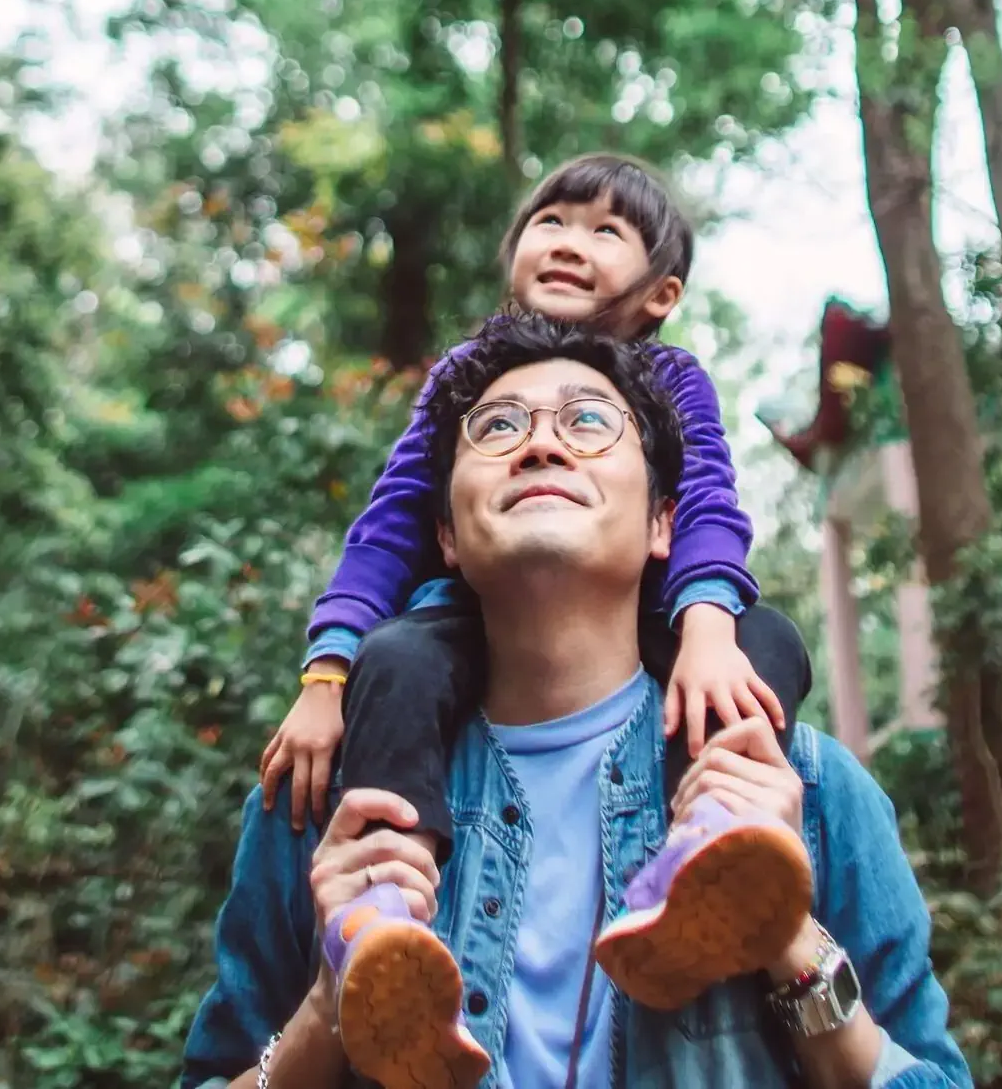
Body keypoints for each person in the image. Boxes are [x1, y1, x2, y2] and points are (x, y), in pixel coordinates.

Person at [184, 311, 974, 1089]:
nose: (540, 443)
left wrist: (790, 938)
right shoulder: (327, 806)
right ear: (448, 538)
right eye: (495, 429)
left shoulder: (808, 791)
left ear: (666, 522)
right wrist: (329, 1009)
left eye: (590, 421)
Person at [258, 159, 821, 1071]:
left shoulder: (672, 379)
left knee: (768, 640)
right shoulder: (463, 382)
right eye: (550, 220)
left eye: (607, 231)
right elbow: (386, 527)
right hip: (467, 630)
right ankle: (384, 916)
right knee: (395, 658)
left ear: (660, 293)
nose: (569, 239)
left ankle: (711, 844)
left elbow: (710, 501)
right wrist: (327, 674)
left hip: (655, 612)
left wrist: (708, 621)